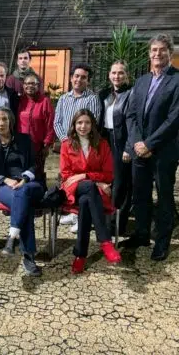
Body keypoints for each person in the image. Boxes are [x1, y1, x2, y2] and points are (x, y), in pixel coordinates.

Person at [122, 34, 179, 261]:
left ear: (170, 53)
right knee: (140, 195)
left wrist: (150, 144)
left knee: (164, 197)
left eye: (162, 50)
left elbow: (175, 118)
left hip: (163, 151)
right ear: (149, 54)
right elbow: (131, 114)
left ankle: (162, 242)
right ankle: (141, 234)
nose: (157, 54)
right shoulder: (141, 81)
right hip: (139, 150)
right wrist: (137, 142)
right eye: (153, 50)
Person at [60, 109, 122, 274]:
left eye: (87, 122)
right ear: (74, 125)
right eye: (79, 122)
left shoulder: (102, 144)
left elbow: (108, 174)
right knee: (88, 188)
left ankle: (80, 255)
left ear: (92, 125)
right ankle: (105, 242)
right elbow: (66, 174)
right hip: (73, 188)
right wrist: (95, 181)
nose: (83, 126)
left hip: (92, 192)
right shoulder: (66, 144)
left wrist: (86, 176)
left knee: (85, 201)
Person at [0, 107, 45, 277]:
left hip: (30, 184)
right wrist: (5, 180)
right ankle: (28, 256)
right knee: (24, 205)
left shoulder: (25, 139)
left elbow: (35, 165)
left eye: (4, 119)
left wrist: (24, 179)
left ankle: (12, 236)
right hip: (4, 187)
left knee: (23, 193)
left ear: (11, 121)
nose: (1, 123)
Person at [54, 63, 101, 230]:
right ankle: (74, 213)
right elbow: (57, 122)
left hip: (85, 146)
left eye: (83, 77)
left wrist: (79, 143)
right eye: (76, 76)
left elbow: (93, 123)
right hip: (68, 146)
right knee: (69, 179)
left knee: (83, 179)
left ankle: (83, 216)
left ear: (88, 80)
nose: (79, 80)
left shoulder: (92, 99)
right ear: (71, 78)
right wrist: (67, 142)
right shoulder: (63, 98)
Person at [98, 60, 133, 236]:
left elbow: (134, 123)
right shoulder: (104, 94)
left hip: (122, 143)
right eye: (113, 72)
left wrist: (129, 147)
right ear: (109, 75)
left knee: (121, 184)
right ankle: (104, 220)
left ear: (126, 75)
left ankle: (117, 225)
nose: (116, 76)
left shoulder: (132, 93)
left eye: (120, 73)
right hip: (105, 141)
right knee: (106, 181)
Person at [16, 73, 55, 179]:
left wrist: (47, 145)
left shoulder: (45, 101)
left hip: (38, 146)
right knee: (22, 173)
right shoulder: (20, 100)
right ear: (23, 85)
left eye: (33, 83)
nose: (30, 86)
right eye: (27, 83)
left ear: (38, 85)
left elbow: (50, 124)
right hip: (21, 145)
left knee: (36, 173)